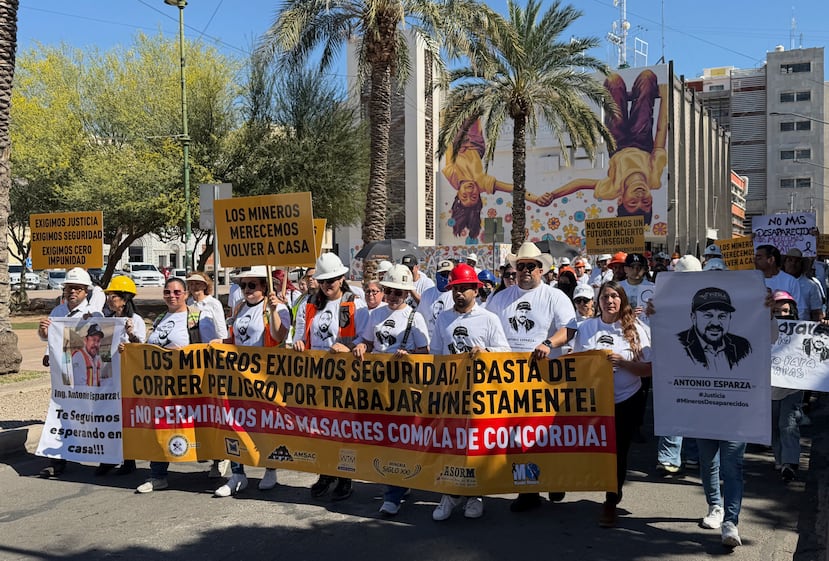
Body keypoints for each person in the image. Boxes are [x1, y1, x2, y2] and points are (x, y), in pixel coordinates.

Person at [484, 241, 576, 512]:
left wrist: (549, 343)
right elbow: (485, 327)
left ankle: (555, 479)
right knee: (517, 437)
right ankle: (528, 491)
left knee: (547, 434)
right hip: (508, 379)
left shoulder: (555, 296)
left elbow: (569, 329)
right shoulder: (499, 298)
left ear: (541, 269)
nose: (525, 270)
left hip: (546, 378)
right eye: (520, 266)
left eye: (531, 266)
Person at [431, 264, 510, 521]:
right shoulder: (443, 318)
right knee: (450, 446)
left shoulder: (489, 319)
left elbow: (505, 353)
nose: (459, 293)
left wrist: (486, 353)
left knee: (475, 447)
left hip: (479, 395)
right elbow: (436, 355)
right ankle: (449, 493)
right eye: (455, 288)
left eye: (465, 288)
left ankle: (475, 494)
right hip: (450, 394)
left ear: (476, 290)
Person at [572, 281, 652, 527]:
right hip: (593, 402)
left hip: (625, 400)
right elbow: (575, 364)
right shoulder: (587, 328)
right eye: (605, 296)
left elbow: (649, 370)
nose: (610, 300)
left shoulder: (637, 329)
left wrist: (624, 363)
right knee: (590, 450)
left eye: (615, 296)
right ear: (598, 301)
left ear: (623, 300)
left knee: (617, 453)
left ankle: (611, 500)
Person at [540, 70, 668, 224]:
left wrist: (553, 195)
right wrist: (666, 98)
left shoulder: (612, 189)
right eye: (646, 203)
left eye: (633, 203)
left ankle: (616, 89)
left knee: (613, 82)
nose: (640, 198)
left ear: (621, 200)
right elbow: (661, 132)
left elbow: (580, 183)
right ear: (652, 199)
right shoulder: (654, 179)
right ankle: (642, 88)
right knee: (647, 78)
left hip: (617, 143)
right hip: (641, 139)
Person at [353, 264, 430, 515]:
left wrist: (408, 355)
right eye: (390, 291)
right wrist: (363, 347)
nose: (394, 296)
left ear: (407, 294)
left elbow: (425, 353)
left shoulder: (414, 317)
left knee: (399, 437)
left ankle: (393, 494)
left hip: (403, 387)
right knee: (384, 436)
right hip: (377, 385)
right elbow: (367, 339)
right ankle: (397, 483)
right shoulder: (375, 315)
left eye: (399, 293)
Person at [294, 253, 369, 501]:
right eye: (324, 280)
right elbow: (301, 334)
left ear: (342, 278)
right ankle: (325, 472)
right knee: (320, 428)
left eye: (333, 280)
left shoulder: (354, 303)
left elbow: (364, 338)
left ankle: (345, 476)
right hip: (317, 376)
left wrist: (349, 348)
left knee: (343, 428)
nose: (328, 285)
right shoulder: (310, 305)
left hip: (344, 378)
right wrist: (298, 344)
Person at [212, 266, 290, 497]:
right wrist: (220, 342)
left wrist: (275, 311)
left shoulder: (275, 308)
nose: (247, 290)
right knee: (235, 424)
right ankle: (238, 473)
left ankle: (270, 469)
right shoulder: (239, 307)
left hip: (264, 378)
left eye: (252, 285)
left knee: (264, 425)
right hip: (237, 378)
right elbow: (234, 338)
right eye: (243, 285)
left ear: (265, 287)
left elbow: (279, 337)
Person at [136, 277, 219, 493]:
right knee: (160, 426)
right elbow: (149, 347)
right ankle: (157, 475)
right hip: (161, 385)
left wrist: (181, 354)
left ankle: (218, 459)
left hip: (190, 384)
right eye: (167, 292)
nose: (172, 296)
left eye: (177, 292)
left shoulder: (198, 318)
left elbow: (209, 350)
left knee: (200, 424)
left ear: (185, 294)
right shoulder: (161, 318)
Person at [38, 267, 104, 479]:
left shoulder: (95, 314)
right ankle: (57, 461)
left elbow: (100, 344)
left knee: (94, 416)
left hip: (86, 377)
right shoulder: (58, 312)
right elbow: (50, 337)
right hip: (64, 376)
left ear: (86, 291)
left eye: (77, 288)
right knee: (60, 416)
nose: (72, 292)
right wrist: (44, 335)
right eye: (69, 288)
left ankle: (106, 457)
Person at [441, 118, 553, 239]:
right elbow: (513, 189)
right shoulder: (482, 184)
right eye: (473, 196)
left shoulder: (453, 177)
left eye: (464, 196)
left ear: (458, 195)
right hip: (474, 143)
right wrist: (536, 199)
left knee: (451, 114)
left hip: (456, 140)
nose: (469, 191)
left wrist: (455, 141)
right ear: (479, 195)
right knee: (472, 111)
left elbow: (449, 151)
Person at [96, 275, 145, 476]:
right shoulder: (107, 320)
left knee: (125, 419)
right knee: (108, 418)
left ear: (124, 299)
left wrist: (131, 336)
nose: (110, 300)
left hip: (126, 378)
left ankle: (128, 459)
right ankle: (108, 458)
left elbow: (142, 347)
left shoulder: (136, 321)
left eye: (113, 296)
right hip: (108, 377)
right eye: (108, 296)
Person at [676, 287, 752, 371]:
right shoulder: (676, 344)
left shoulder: (743, 346)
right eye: (708, 315)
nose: (715, 323)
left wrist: (766, 312)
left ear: (730, 318)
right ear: (693, 317)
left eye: (722, 316)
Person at [771, 290, 802, 482]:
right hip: (770, 388)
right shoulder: (763, 328)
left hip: (792, 387)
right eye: (776, 311)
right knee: (773, 425)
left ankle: (790, 463)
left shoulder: (802, 330)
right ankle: (781, 459)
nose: (781, 315)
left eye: (785, 311)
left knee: (788, 424)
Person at [755, 244, 802, 317]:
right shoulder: (752, 281)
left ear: (771, 260)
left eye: (759, 258)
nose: (754, 261)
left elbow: (799, 308)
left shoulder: (790, 281)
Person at [417, 260, 456, 341]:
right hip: (429, 342)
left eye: (449, 274)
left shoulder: (456, 295)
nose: (447, 277)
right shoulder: (427, 294)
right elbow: (420, 319)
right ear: (437, 275)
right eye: (443, 274)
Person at [782, 248, 824, 321]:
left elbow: (817, 313)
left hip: (802, 329)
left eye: (797, 261)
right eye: (790, 260)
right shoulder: (775, 282)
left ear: (802, 265)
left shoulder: (811, 286)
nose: (793, 263)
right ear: (784, 263)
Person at [186, 271, 228, 340]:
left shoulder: (214, 303)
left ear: (205, 286)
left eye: (197, 284)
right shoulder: (189, 302)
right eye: (191, 284)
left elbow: (221, 329)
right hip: (193, 347)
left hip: (210, 346)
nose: (194, 287)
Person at [71, 323, 104, 387]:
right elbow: (80, 387)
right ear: (86, 340)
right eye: (93, 340)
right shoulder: (79, 357)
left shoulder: (97, 359)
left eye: (98, 341)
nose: (96, 344)